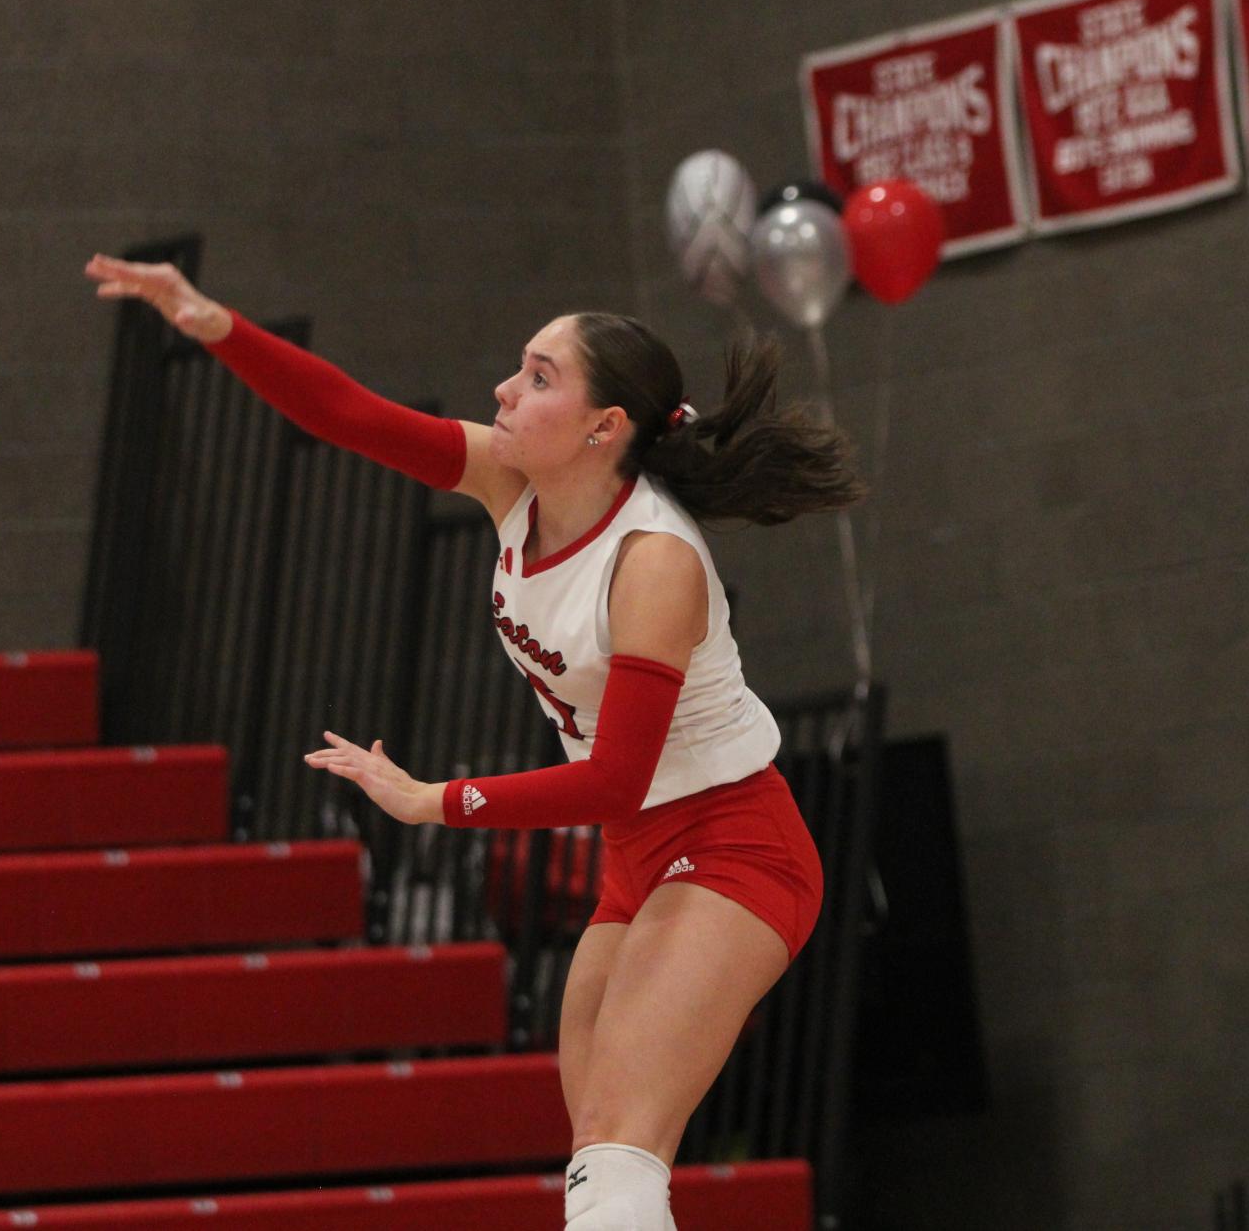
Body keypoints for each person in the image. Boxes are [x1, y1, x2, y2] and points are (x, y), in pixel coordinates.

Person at [84, 253, 865, 1230]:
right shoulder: (512, 482)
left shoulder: (652, 561)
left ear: (604, 426)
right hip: (639, 859)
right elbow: (349, 417)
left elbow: (618, 778)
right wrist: (211, 321)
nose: (505, 386)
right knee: (606, 1153)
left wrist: (435, 799)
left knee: (616, 1140)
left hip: (736, 848)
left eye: (540, 375)